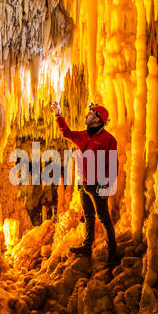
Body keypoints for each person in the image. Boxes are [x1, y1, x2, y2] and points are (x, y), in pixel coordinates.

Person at [51, 100, 118, 268]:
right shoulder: (83, 135)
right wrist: (58, 114)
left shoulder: (108, 140)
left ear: (98, 119)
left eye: (90, 114)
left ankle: (112, 253)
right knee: (88, 216)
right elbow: (66, 132)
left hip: (97, 185)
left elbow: (112, 165)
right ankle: (87, 246)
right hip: (82, 184)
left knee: (104, 219)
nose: (87, 116)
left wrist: (106, 186)